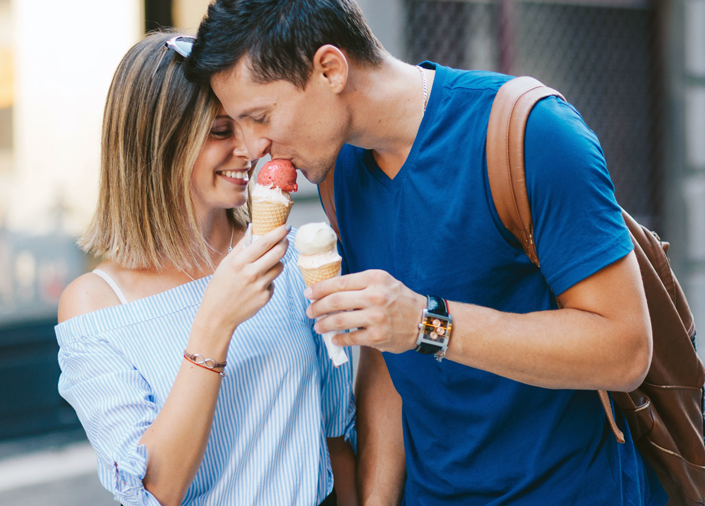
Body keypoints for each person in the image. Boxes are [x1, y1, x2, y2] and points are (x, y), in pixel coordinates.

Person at [184, 1, 666, 505]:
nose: (253, 146)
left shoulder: (532, 133)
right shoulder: (338, 175)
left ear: (330, 69)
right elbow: (384, 356)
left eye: (259, 117)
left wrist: (425, 323)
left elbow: (625, 348)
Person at [55, 32, 356, 506]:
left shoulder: (292, 255)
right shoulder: (95, 303)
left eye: (248, 122)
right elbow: (154, 490)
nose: (249, 147)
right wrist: (215, 322)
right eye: (221, 130)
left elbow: (338, 431)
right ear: (158, 144)